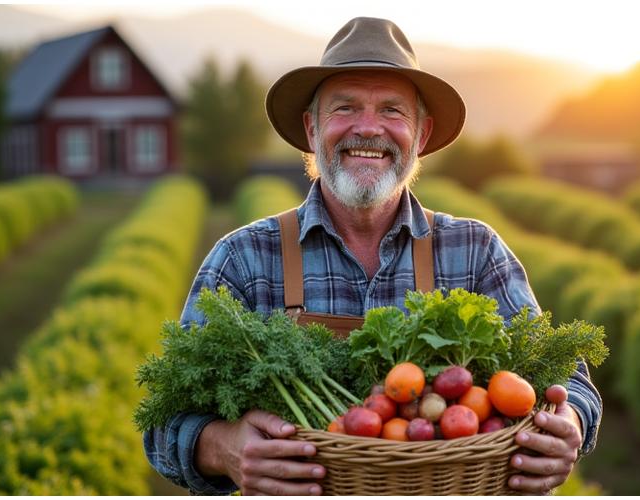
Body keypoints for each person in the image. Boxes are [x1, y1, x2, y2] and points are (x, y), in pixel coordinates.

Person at [144, 16, 601, 495]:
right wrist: (223, 446)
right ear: (311, 128)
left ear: (420, 135)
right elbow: (162, 423)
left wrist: (566, 420)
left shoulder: (476, 251)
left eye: (391, 111)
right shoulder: (243, 258)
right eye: (344, 108)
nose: (368, 128)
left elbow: (569, 380)